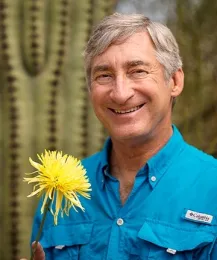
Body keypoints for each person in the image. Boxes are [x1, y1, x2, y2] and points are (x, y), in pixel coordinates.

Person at [21, 13, 217, 260]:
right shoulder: (58, 191)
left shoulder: (212, 188)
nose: (121, 93)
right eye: (104, 76)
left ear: (175, 81)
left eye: (138, 71)